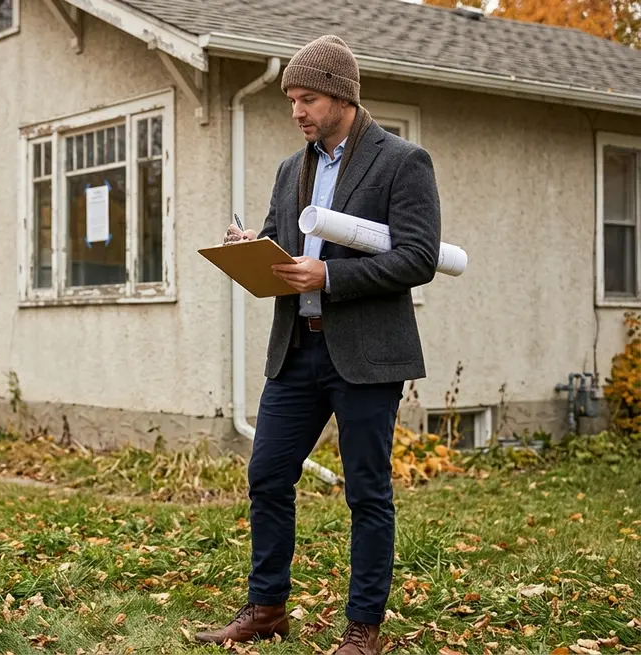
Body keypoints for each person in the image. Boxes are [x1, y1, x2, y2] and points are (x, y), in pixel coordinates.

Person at [195, 35, 441, 655]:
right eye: (291, 100)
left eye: (307, 98)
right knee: (267, 475)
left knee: (366, 492)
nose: (297, 111)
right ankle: (267, 609)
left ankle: (364, 629)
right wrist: (251, 248)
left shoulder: (402, 161)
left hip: (367, 355)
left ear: (341, 95)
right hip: (295, 350)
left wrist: (329, 276)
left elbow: (419, 257)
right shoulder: (290, 169)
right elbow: (283, 245)